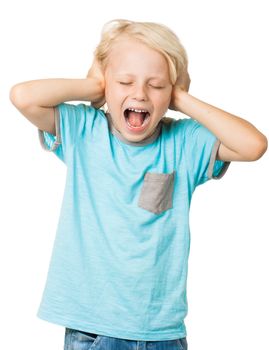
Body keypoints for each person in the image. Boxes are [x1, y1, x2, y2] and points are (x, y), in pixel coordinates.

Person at [9, 19, 267, 350]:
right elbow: (23, 96)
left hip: (163, 332)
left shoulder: (184, 142)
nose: (140, 94)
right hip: (92, 328)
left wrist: (182, 99)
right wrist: (94, 87)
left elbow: (254, 145)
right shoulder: (85, 132)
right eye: (125, 82)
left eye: (157, 86)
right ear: (106, 84)